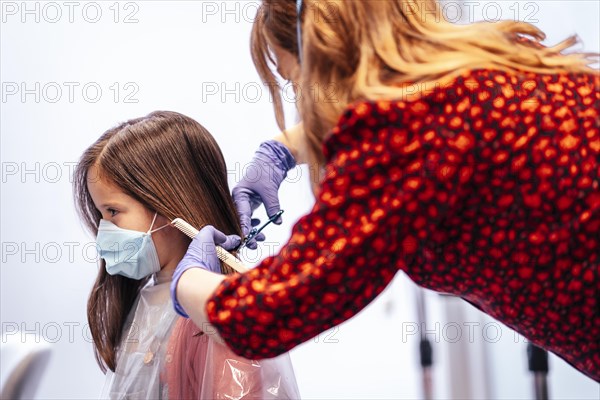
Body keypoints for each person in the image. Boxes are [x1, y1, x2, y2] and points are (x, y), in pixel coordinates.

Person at [171, 0, 600, 382]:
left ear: (323, 57)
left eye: (293, 78)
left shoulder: (400, 133)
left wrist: (187, 280)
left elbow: (267, 315)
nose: (300, 97)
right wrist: (281, 150)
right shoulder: (501, 66)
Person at [73, 111, 299, 399]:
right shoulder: (147, 300)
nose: (104, 230)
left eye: (113, 212)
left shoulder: (216, 316)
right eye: (101, 214)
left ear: (168, 206)